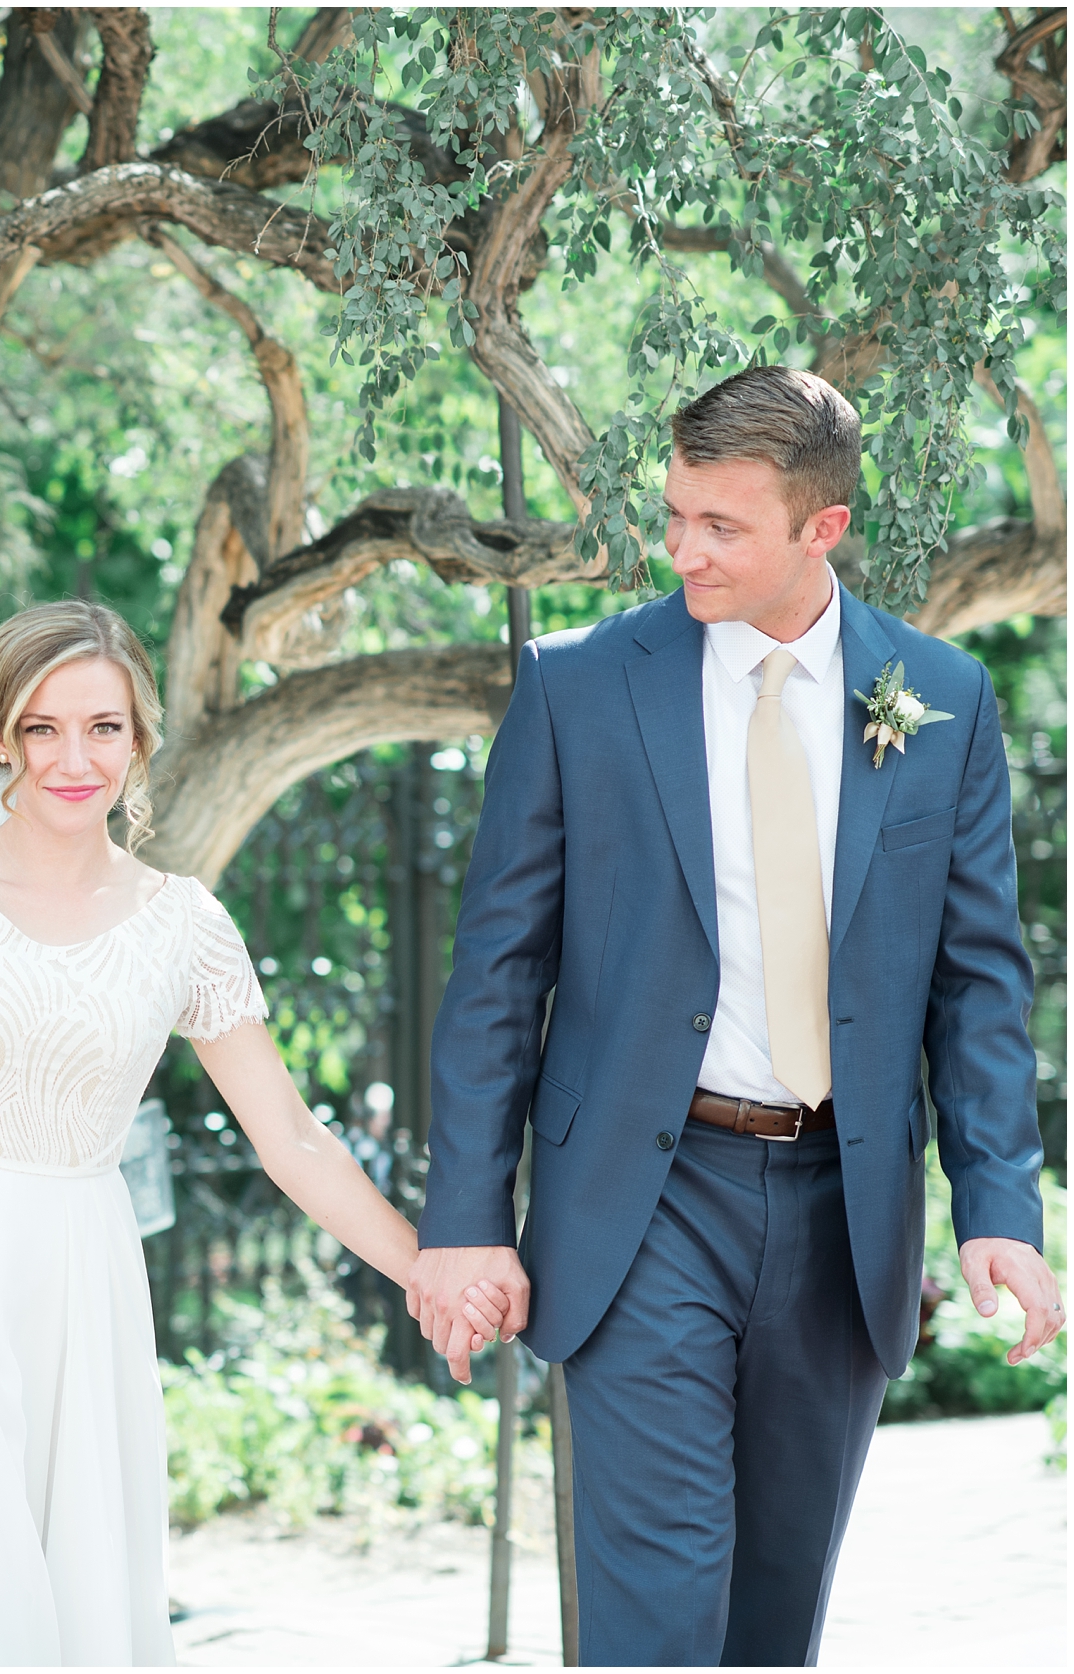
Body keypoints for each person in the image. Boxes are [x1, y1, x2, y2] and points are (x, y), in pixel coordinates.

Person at [410, 365, 1063, 1666]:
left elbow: (978, 983)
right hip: (646, 1203)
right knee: (658, 1611)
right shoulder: (580, 687)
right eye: (675, 515)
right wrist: (465, 1224)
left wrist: (999, 1209)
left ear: (822, 528)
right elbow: (495, 973)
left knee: (774, 1620)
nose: (682, 550)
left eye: (723, 526)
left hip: (843, 1207)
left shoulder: (941, 700)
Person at [0, 599, 503, 1667]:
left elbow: (292, 1139)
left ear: (138, 739)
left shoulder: (184, 926)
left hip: (78, 1288)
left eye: (104, 727)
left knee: (69, 1607)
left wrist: (428, 1273)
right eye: (42, 728)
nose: (74, 758)